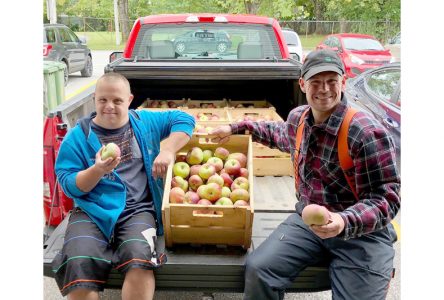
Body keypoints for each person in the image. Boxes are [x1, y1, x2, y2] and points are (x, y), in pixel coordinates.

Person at [211, 49, 400, 300]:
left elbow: (387, 199)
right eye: (316, 82)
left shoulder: (364, 132)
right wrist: (236, 127)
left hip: (361, 235)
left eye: (332, 81)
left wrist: (344, 221)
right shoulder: (298, 120)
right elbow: (274, 132)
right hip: (310, 224)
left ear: (343, 82)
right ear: (302, 84)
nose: (324, 89)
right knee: (260, 269)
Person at [53, 72, 195, 299]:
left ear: (129, 100)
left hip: (138, 210)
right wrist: (97, 170)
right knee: (78, 265)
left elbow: (185, 119)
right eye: (103, 100)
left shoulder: (145, 122)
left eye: (117, 100)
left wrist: (167, 150)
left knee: (139, 261)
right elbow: (69, 184)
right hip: (92, 212)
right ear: (94, 100)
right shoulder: (77, 137)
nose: (109, 106)